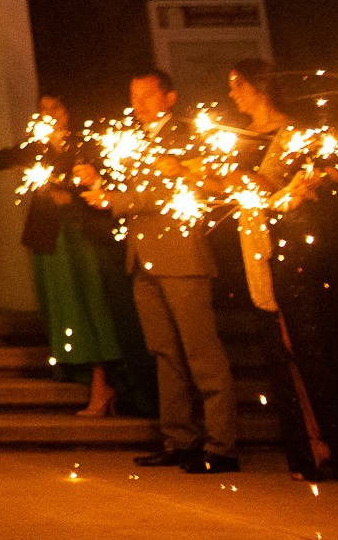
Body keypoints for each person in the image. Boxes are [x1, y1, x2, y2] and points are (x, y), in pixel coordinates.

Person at [225, 57, 338, 482]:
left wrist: (245, 179)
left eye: (237, 84)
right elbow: (233, 190)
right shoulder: (238, 137)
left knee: (312, 343)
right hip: (256, 247)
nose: (232, 93)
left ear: (259, 86)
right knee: (279, 348)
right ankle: (308, 449)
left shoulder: (295, 134)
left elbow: (292, 188)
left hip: (293, 246)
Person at [81, 69, 239, 475]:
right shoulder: (133, 139)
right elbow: (135, 187)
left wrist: (114, 200)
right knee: (164, 352)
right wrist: (99, 184)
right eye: (133, 96)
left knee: (201, 353)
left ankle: (222, 445)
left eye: (147, 95)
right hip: (143, 258)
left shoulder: (187, 135)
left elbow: (176, 189)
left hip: (181, 256)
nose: (138, 104)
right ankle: (180, 438)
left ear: (170, 97)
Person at [0, 95, 143, 417]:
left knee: (91, 306)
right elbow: (4, 158)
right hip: (50, 239)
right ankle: (86, 377)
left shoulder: (88, 145)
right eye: (43, 110)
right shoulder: (36, 147)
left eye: (55, 108)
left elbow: (107, 183)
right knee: (65, 308)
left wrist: (73, 194)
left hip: (83, 238)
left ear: (68, 112)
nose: (49, 115)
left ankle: (103, 383)